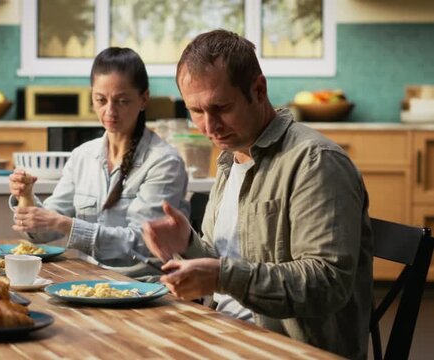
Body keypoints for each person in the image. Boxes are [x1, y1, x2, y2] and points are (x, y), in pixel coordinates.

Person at [142, 29, 373, 359]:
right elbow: (232, 259)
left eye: (221, 107)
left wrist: (223, 277)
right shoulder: (232, 158)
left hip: (284, 350)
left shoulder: (315, 162)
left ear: (258, 89)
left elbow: (327, 281)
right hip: (221, 334)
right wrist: (187, 244)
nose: (209, 127)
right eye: (195, 111)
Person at [9, 47, 189, 278]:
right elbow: (44, 233)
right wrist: (26, 195)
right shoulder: (82, 156)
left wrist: (67, 226)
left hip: (146, 288)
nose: (110, 111)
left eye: (122, 101)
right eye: (101, 100)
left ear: (144, 98)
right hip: (88, 283)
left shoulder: (164, 162)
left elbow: (142, 244)